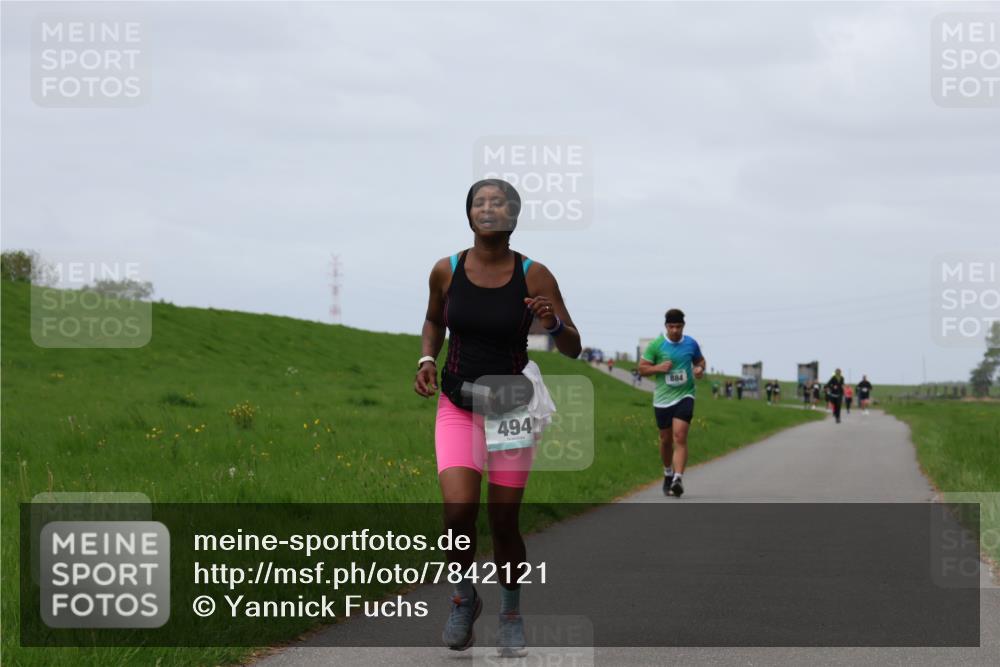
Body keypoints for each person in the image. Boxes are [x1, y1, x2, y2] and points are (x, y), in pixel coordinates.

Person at [414, 179, 582, 655]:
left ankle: (511, 612)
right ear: (468, 214)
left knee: (503, 521)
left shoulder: (535, 275)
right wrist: (427, 359)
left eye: (498, 202)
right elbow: (433, 320)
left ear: (513, 215)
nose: (487, 208)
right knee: (457, 513)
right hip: (457, 403)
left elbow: (573, 347)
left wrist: (550, 322)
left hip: (511, 406)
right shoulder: (446, 271)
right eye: (478, 202)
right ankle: (463, 599)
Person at [638, 308, 706, 498]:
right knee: (666, 440)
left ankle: (678, 478)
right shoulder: (657, 345)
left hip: (685, 395)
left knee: (680, 436)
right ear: (666, 326)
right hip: (662, 399)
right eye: (671, 326)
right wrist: (658, 367)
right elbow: (642, 369)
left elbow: (701, 361)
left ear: (683, 326)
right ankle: (668, 472)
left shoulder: (691, 343)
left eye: (678, 326)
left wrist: (699, 369)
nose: (675, 330)